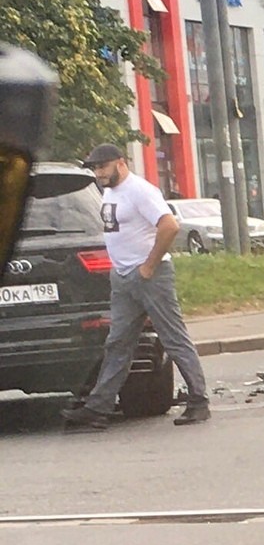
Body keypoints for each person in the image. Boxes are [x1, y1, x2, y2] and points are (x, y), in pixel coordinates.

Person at [61, 144, 211, 430]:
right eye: (94, 168)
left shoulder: (140, 190)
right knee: (118, 343)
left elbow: (169, 226)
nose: (98, 173)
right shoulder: (110, 192)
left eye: (102, 167)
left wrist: (149, 266)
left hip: (150, 276)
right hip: (124, 277)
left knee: (173, 338)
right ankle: (98, 408)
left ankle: (198, 401)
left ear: (120, 163)